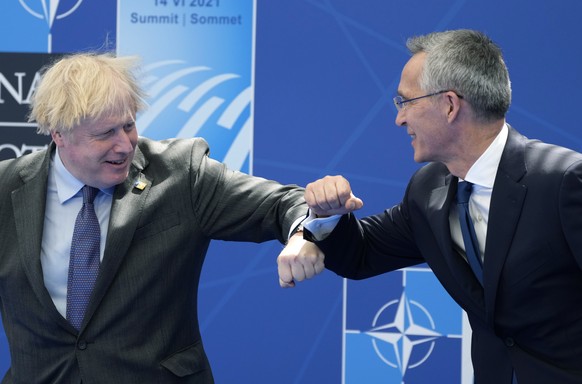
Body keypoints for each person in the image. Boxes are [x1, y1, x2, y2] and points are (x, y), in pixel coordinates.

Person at [0, 52, 323, 383]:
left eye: (129, 125)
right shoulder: (5, 188)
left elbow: (282, 202)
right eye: (105, 133)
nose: (125, 145)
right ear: (59, 134)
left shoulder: (181, 174)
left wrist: (303, 234)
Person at [286, 30, 582, 383]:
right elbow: (361, 253)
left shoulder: (565, 181)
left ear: (450, 105)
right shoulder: (427, 190)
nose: (399, 118)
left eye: (405, 101)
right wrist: (326, 215)